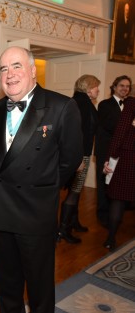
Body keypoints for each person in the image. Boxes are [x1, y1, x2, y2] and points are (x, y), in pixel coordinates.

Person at [0, 46, 82, 313]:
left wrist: (43, 187)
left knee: (39, 287)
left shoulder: (62, 106)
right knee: (7, 284)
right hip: (0, 212)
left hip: (35, 212)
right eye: (4, 68)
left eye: (16, 66)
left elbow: (71, 159)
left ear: (32, 70)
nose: (10, 74)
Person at [57, 74, 100, 244]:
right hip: (80, 156)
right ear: (89, 89)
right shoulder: (82, 104)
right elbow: (77, 134)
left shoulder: (78, 102)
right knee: (74, 192)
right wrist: (79, 159)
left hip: (79, 155)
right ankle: (63, 230)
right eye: (96, 87)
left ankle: (73, 223)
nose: (98, 90)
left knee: (76, 190)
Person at [95, 76, 132, 227]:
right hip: (107, 150)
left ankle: (115, 215)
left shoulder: (131, 105)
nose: (125, 88)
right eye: (122, 85)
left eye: (127, 86)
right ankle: (103, 215)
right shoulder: (105, 104)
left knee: (118, 184)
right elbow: (112, 126)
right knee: (104, 182)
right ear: (114, 87)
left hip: (124, 152)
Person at [102, 97, 135, 251]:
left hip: (129, 156)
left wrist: (109, 157)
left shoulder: (131, 104)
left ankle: (110, 239)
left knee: (119, 198)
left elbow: (120, 132)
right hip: (130, 155)